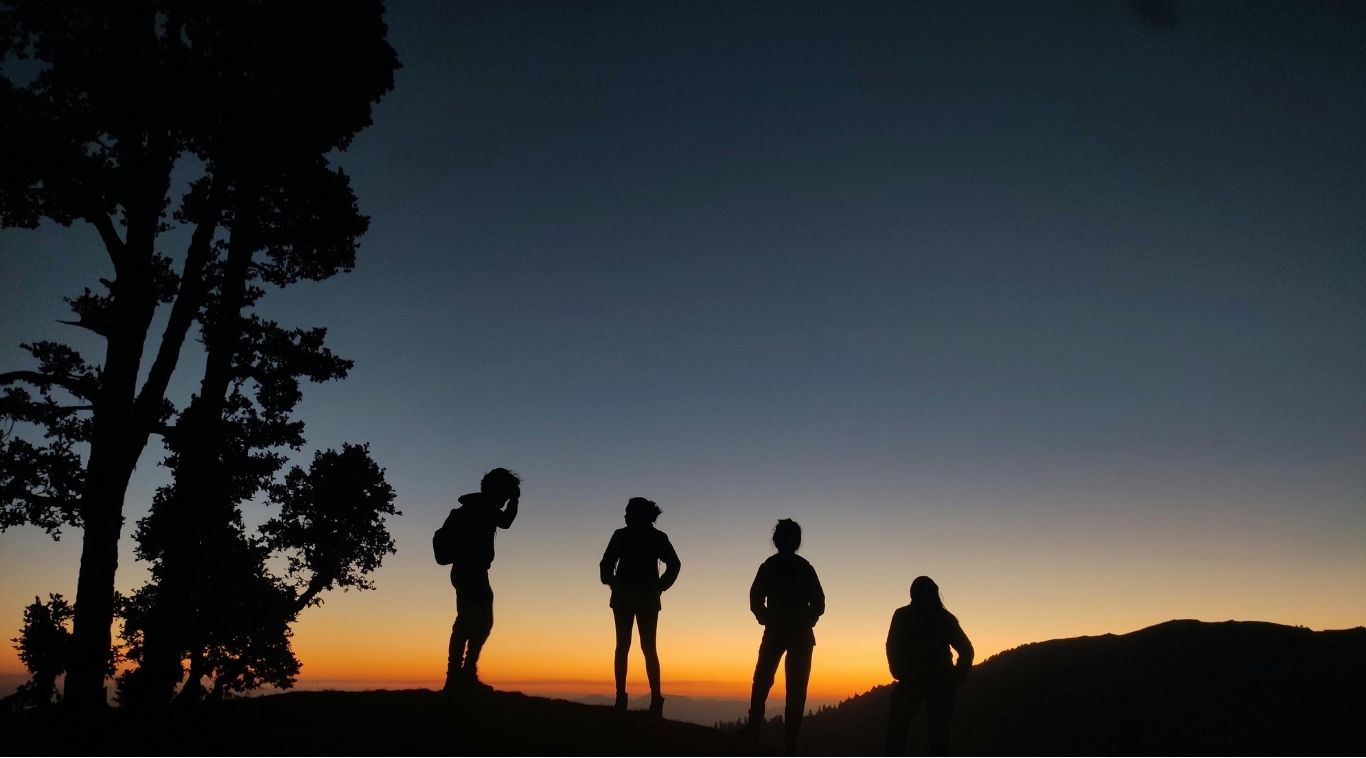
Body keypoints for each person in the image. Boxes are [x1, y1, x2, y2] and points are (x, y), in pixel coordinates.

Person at [744, 518, 825, 754]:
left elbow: (755, 599)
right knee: (794, 690)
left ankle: (754, 732)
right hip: (798, 635)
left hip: (778, 633)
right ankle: (789, 744)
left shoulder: (770, 566)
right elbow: (819, 604)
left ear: (776, 540)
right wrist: (805, 622)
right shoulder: (804, 567)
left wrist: (768, 619)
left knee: (762, 682)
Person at [599, 496, 681, 717]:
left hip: (631, 598)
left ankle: (627, 698)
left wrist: (612, 582)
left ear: (636, 514)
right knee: (644, 648)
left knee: (627, 647)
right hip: (642, 599)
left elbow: (606, 564)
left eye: (628, 512)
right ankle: (650, 698)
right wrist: (660, 587)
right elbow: (674, 564)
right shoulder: (654, 537)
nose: (624, 515)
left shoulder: (624, 536)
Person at [442, 467, 521, 692]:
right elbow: (506, 521)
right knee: (474, 621)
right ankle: (460, 676)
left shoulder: (473, 507)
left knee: (473, 620)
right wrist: (514, 502)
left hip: (467, 571)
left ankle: (461, 675)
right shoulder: (482, 508)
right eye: (505, 493)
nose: (506, 498)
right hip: (471, 571)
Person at [884, 576, 974, 756]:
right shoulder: (943, 618)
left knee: (898, 731)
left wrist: (898, 671)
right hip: (937, 681)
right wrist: (956, 677)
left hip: (916, 680)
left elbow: (891, 646)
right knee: (938, 734)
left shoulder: (903, 615)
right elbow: (966, 650)